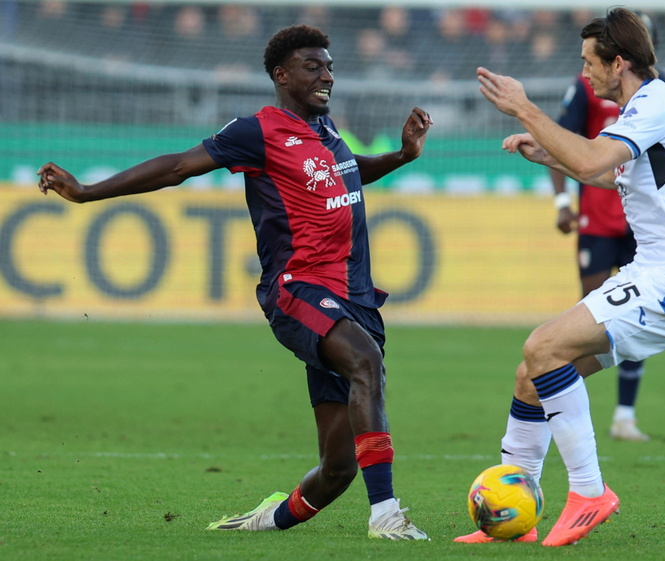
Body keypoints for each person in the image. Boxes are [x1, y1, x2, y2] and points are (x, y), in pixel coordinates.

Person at [37, 24, 433, 541]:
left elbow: (349, 171)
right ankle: (387, 516)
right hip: (298, 290)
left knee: (338, 468)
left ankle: (267, 520)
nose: (327, 75)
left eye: (330, 66)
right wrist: (88, 191)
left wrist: (402, 157)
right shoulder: (257, 131)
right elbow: (178, 166)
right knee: (366, 362)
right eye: (314, 66)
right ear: (281, 74)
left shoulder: (327, 132)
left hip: (354, 297)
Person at [457, 8, 665, 546]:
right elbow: (612, 176)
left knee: (543, 345)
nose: (584, 74)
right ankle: (516, 514)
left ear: (618, 62)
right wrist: (541, 156)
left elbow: (586, 164)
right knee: (531, 375)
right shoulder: (652, 106)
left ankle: (590, 491)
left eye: (589, 63)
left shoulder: (653, 102)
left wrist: (525, 109)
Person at [549, 12, 665, 442]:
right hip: (598, 219)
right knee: (594, 317)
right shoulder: (590, 86)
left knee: (635, 318)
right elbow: (565, 139)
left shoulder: (662, 96)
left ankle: (623, 413)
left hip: (642, 224)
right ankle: (570, 405)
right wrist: (563, 199)